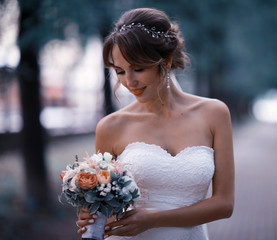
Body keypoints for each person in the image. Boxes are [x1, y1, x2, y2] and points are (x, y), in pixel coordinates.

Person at [76, 7, 234, 240]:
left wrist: (153, 219)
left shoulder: (214, 113)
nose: (129, 82)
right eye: (120, 71)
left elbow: (224, 204)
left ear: (166, 62)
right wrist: (89, 214)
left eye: (138, 69)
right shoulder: (111, 127)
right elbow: (103, 208)